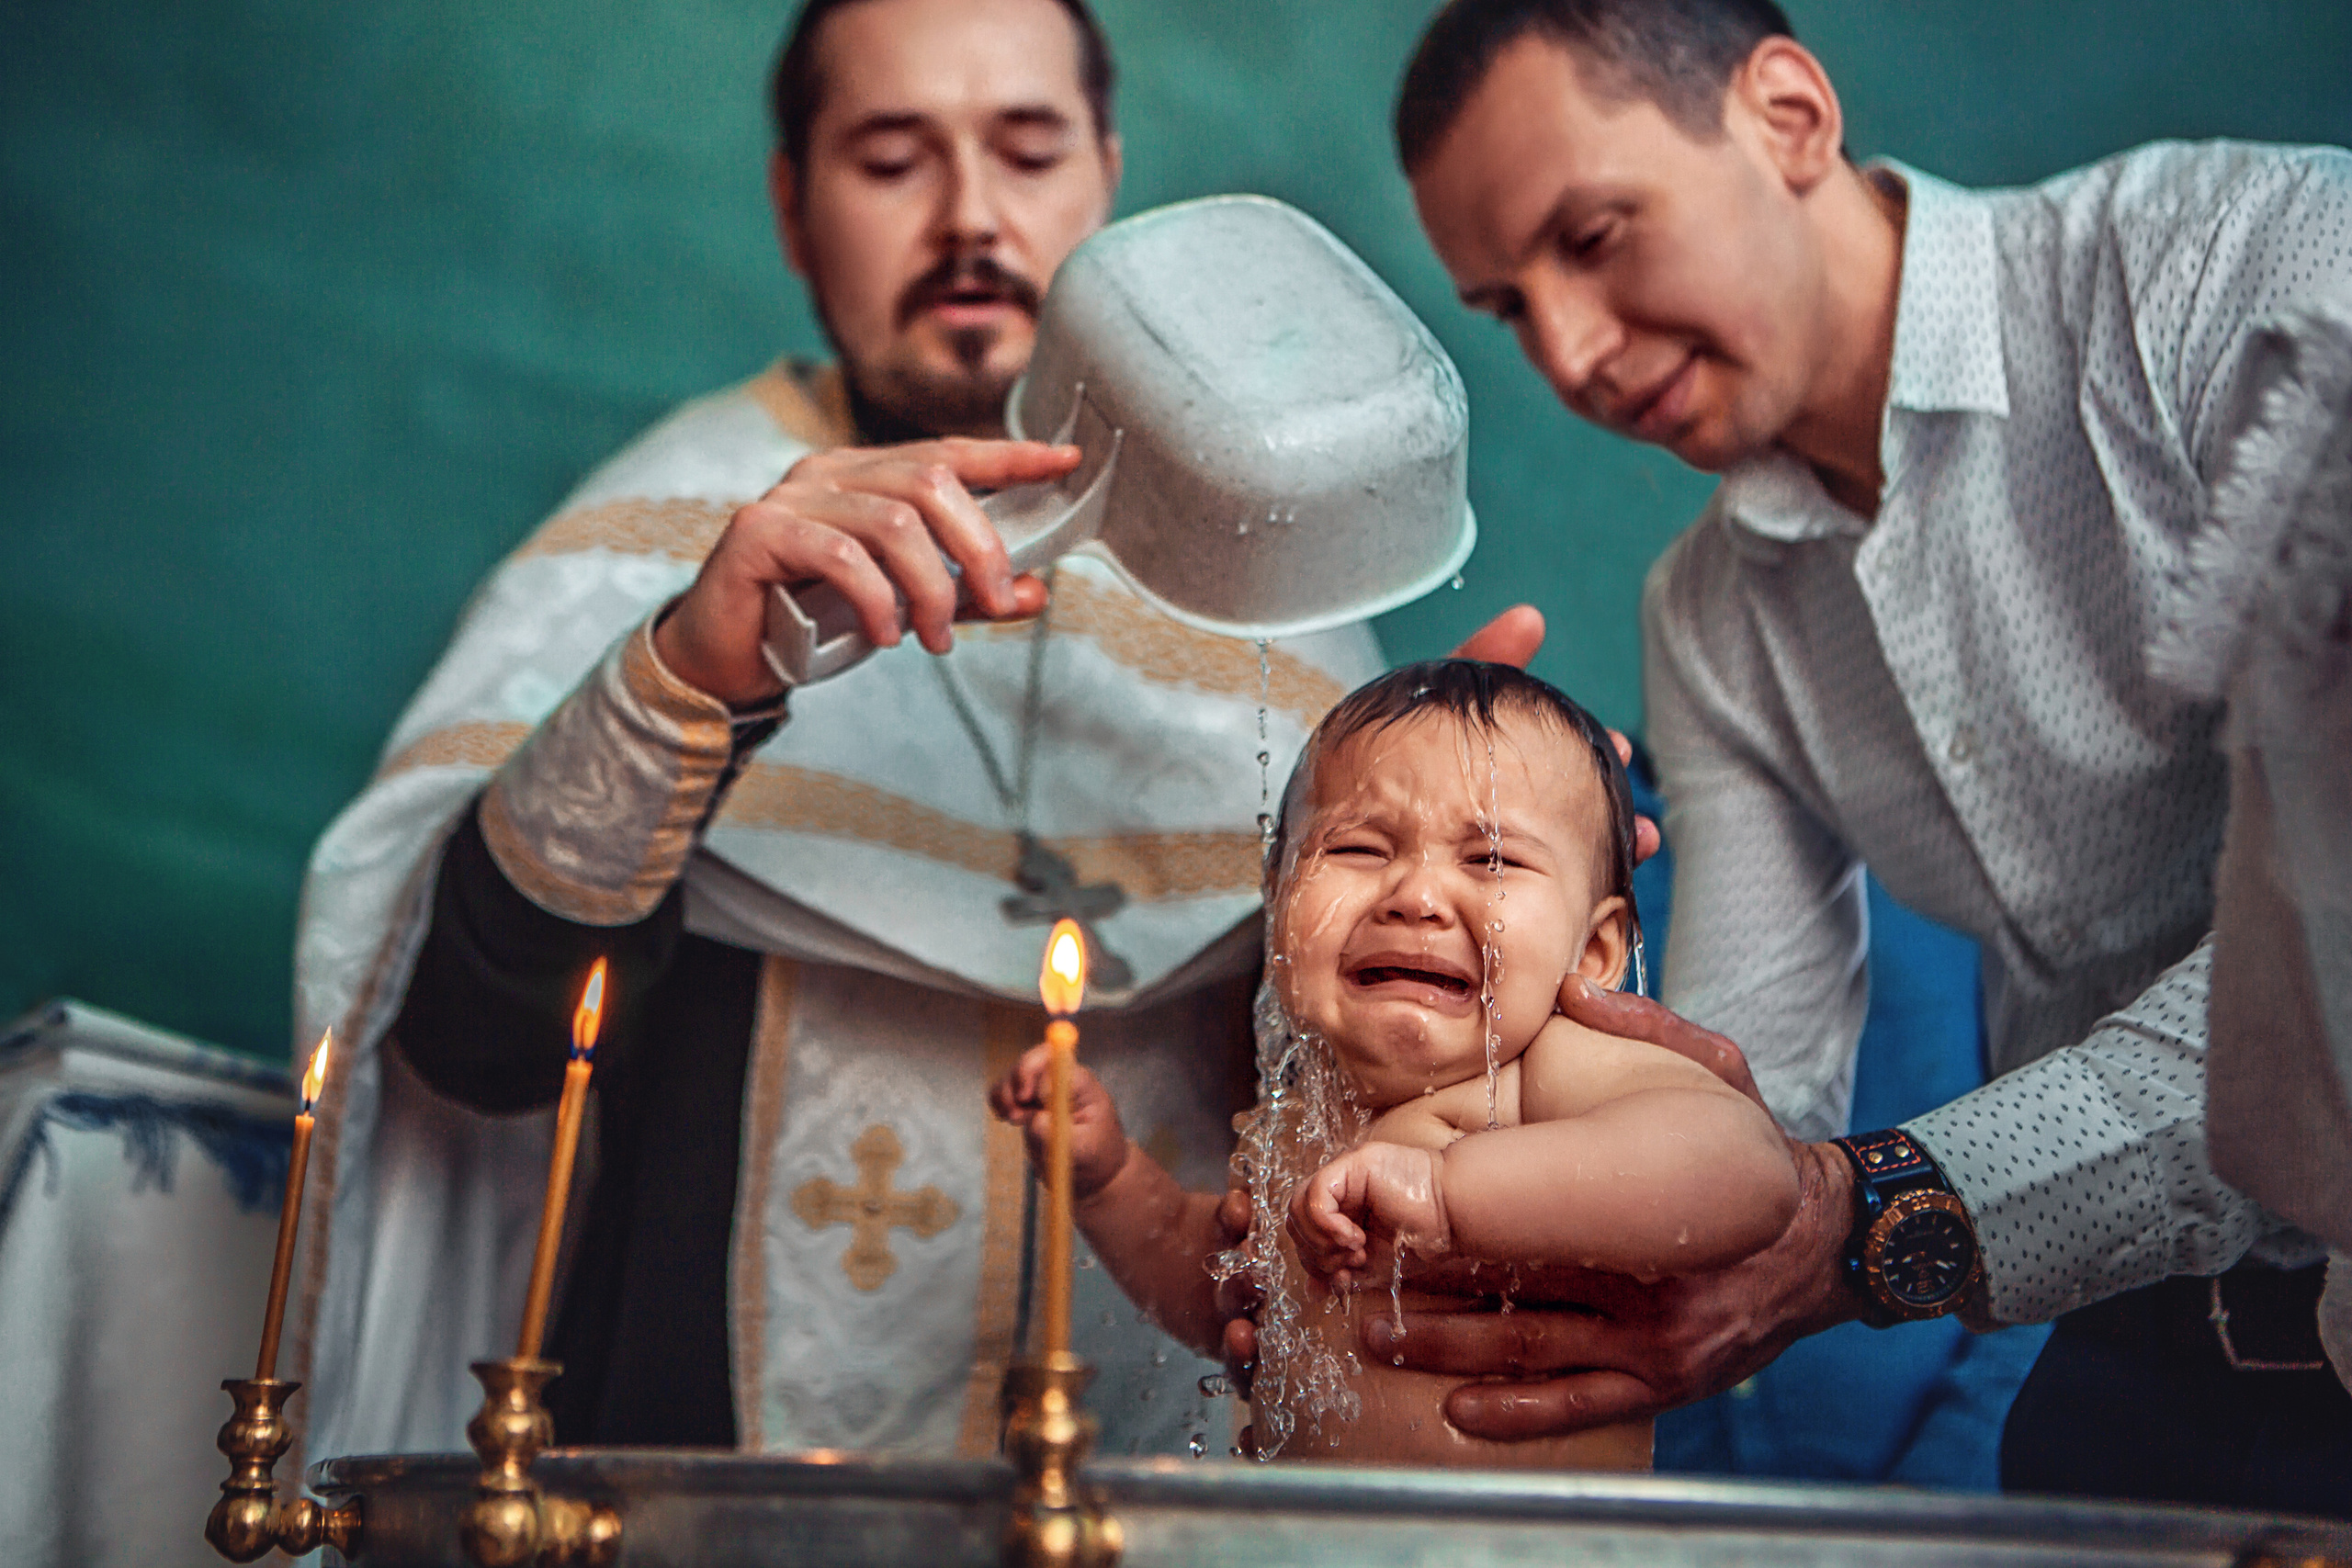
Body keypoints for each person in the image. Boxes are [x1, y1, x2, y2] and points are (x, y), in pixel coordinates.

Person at [286, 0, 1443, 1467]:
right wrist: (685, 679)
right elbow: (474, 1044)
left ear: (1106, 170)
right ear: (792, 204)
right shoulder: (666, 527)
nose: (970, 218)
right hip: (702, 1487)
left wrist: (1448, 834)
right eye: (893, 159)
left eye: (1027, 152)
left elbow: (1348, 1122)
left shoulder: (1279, 584)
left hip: (1163, 1485)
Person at [1324, 0, 2352, 1515]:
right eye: (1509, 308)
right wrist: (1471, 879)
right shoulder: (1715, 615)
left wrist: (1865, 1217)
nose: (1572, 353)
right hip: (2136, 1370)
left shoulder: (2253, 281)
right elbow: (1747, 1104)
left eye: (1596, 237)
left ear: (1791, 115)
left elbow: (2322, 996)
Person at [992, 660, 1795, 1468]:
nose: (1414, 895)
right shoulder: (1298, 1118)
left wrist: (1449, 1193)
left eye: (1491, 860)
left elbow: (1749, 1169)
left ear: (1593, 949)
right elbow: (1217, 1299)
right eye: (1359, 847)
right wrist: (1108, 1182)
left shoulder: (1545, 1074)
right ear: (1277, 906)